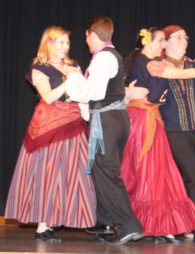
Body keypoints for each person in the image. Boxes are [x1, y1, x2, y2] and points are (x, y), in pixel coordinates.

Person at [120, 27, 195, 243]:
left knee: (174, 179)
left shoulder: (194, 64)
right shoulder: (154, 63)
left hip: (193, 127)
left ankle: (174, 225)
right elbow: (178, 75)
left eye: (186, 38)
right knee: (192, 175)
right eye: (176, 38)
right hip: (167, 127)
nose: (184, 41)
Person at [5, 26, 96, 242]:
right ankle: (42, 227)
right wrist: (69, 81)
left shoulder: (73, 65)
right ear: (49, 43)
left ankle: (57, 220)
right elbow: (47, 97)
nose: (66, 47)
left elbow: (83, 92)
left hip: (73, 124)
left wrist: (81, 86)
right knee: (49, 173)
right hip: (50, 127)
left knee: (71, 174)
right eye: (61, 42)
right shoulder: (40, 68)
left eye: (67, 42)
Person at [64, 16, 144, 245]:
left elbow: (93, 94)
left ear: (93, 35)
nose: (86, 41)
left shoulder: (103, 59)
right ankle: (105, 221)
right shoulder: (112, 56)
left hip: (106, 121)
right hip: (115, 118)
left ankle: (129, 225)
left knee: (106, 173)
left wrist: (74, 79)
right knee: (104, 171)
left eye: (87, 37)